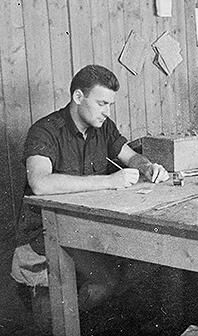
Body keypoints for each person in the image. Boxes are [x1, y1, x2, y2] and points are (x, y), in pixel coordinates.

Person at [10, 64, 170, 333]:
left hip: (87, 232)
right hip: (46, 234)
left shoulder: (103, 127)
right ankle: (63, 322)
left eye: (110, 104)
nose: (107, 111)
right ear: (78, 98)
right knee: (106, 282)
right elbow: (40, 184)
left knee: (147, 263)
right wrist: (108, 181)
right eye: (102, 103)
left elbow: (130, 156)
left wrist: (149, 166)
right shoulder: (46, 131)